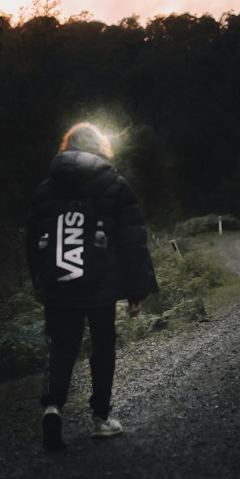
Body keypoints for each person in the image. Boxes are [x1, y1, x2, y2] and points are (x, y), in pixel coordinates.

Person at [26, 121, 158, 452]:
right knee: (103, 348)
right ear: (99, 147)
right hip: (100, 287)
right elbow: (132, 242)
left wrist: (41, 281)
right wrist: (135, 291)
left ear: (67, 147)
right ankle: (101, 419)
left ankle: (53, 407)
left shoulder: (45, 189)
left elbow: (31, 244)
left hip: (59, 285)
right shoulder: (114, 184)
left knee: (61, 347)